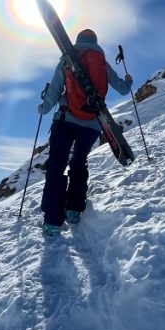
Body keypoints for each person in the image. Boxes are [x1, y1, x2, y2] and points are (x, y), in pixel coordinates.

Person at [37, 28, 132, 235]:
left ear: (78, 41)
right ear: (95, 42)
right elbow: (123, 90)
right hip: (92, 124)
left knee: (57, 166)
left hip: (65, 120)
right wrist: (129, 80)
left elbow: (54, 90)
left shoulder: (67, 59)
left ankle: (53, 222)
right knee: (79, 163)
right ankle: (73, 211)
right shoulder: (102, 64)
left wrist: (43, 108)